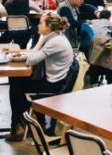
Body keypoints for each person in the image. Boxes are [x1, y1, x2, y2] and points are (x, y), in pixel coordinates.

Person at [5, 13, 75, 141]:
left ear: (49, 26)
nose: (38, 25)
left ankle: (21, 121)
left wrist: (38, 43)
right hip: (57, 79)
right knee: (15, 80)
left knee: (15, 83)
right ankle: (23, 119)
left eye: (41, 23)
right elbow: (34, 56)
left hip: (55, 84)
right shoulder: (55, 37)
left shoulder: (54, 41)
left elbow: (30, 60)